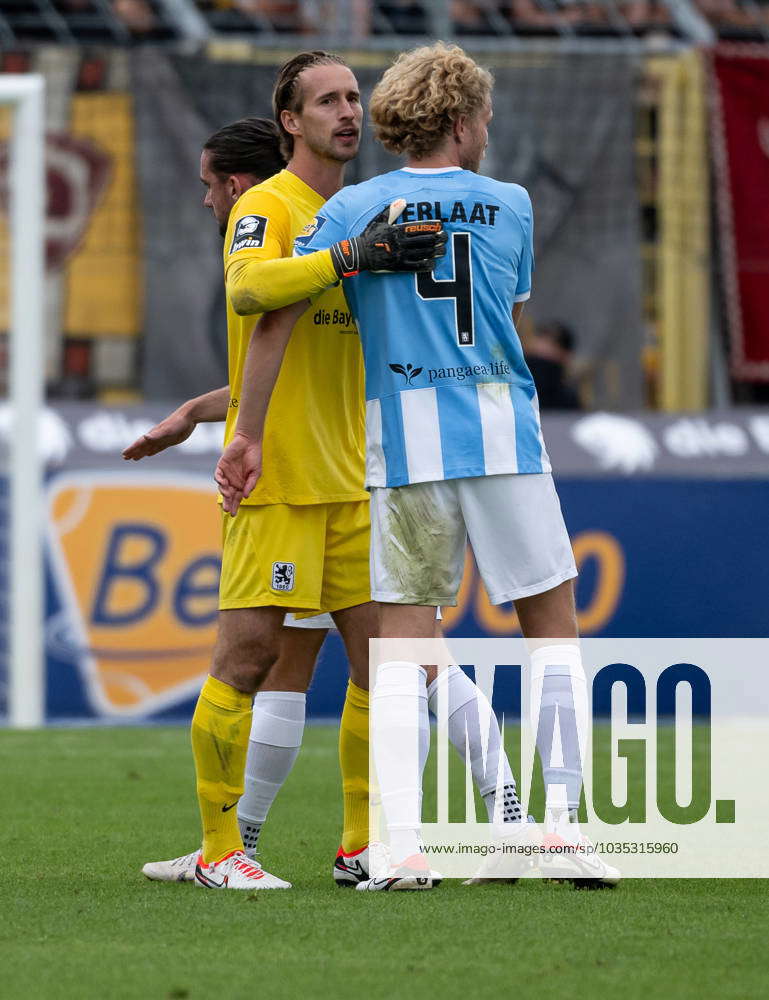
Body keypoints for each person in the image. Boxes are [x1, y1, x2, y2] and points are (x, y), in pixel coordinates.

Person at [216, 42, 620, 889]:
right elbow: (506, 318)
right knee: (551, 631)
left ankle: (398, 849)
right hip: (502, 433)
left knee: (399, 649)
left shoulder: (357, 205)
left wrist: (243, 428)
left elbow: (279, 306)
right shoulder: (508, 204)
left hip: (400, 443)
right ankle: (559, 830)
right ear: (467, 122)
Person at [131, 52, 445, 892]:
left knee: (383, 662)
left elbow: (310, 351)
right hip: (277, 483)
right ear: (291, 123)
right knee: (247, 658)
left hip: (352, 479)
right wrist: (351, 258)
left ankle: (360, 846)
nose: (347, 111)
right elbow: (250, 293)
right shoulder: (265, 206)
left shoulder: (355, 210)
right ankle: (220, 851)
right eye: (327, 101)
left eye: (354, 98)